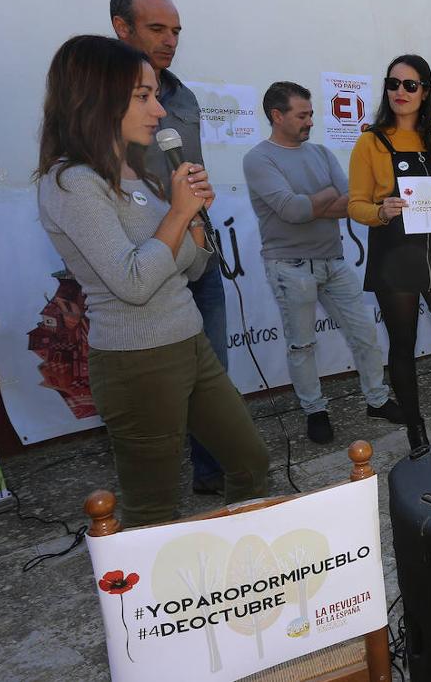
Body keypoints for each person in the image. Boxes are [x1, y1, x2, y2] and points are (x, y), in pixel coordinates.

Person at [35, 35, 269, 526]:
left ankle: (240, 582)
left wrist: (196, 221)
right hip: (136, 362)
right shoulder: (71, 181)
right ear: (97, 96)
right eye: (143, 96)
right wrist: (179, 215)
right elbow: (135, 282)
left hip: (189, 341)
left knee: (250, 463)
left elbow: (189, 266)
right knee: (154, 512)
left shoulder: (134, 173)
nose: (160, 111)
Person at [110, 0, 226, 495]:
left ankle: (212, 471)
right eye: (157, 28)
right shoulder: (96, 101)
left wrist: (199, 203)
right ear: (122, 28)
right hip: (144, 264)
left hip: (199, 255)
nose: (170, 40)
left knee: (214, 372)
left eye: (175, 30)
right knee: (152, 393)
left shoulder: (185, 97)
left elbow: (188, 167)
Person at [243, 82, 404, 444]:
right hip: (289, 266)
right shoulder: (258, 158)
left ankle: (377, 400)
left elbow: (347, 202)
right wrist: (326, 199)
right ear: (277, 116)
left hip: (333, 260)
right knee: (302, 345)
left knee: (364, 333)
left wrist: (317, 203)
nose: (310, 121)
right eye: (302, 115)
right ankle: (315, 410)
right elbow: (291, 209)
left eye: (312, 114)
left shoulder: (320, 152)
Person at [348, 54, 431, 449]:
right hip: (394, 254)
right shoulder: (369, 142)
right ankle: (416, 431)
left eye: (410, 85)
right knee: (402, 345)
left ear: (425, 92)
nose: (400, 92)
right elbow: (355, 204)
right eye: (393, 83)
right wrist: (380, 210)